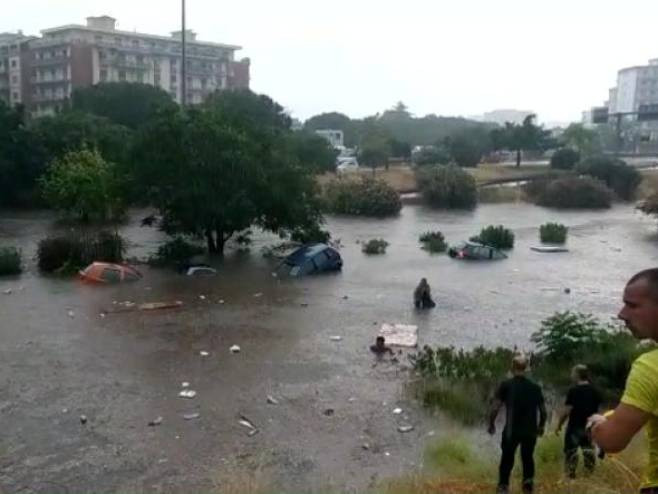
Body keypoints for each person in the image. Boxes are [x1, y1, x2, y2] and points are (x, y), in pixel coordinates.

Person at [590, 268, 658, 493]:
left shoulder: (650, 367)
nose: (622, 314)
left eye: (633, 305)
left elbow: (612, 441)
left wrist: (597, 424)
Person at [488, 354, 547, 494]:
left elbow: (495, 407)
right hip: (530, 429)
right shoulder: (535, 387)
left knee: (507, 458)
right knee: (528, 457)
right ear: (526, 368)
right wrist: (541, 426)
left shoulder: (506, 385)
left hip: (511, 430)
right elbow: (543, 412)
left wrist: (491, 424)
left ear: (512, 367)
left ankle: (503, 487)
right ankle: (528, 486)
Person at [555, 364, 602, 478]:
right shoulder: (594, 391)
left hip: (574, 428)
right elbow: (597, 412)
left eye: (572, 373)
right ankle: (588, 478)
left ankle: (570, 479)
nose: (571, 375)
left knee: (571, 455)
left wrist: (559, 425)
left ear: (577, 375)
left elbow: (567, 411)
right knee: (589, 455)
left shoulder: (573, 391)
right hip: (589, 428)